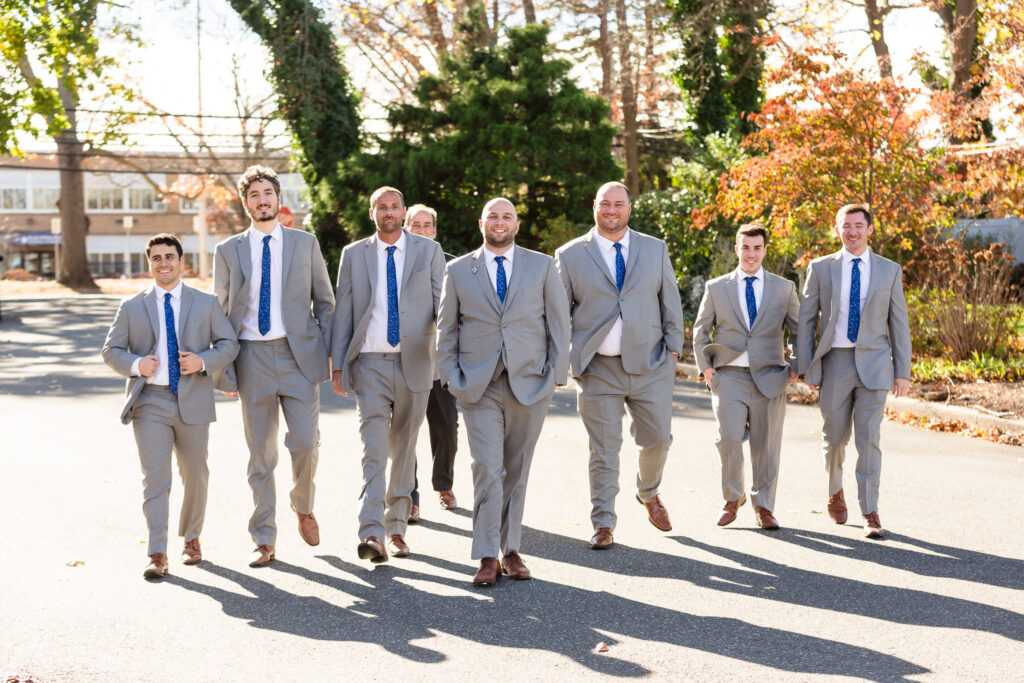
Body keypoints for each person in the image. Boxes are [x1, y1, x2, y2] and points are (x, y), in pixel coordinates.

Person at [436, 197, 569, 585]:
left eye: (506, 216)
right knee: (487, 466)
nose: (500, 221)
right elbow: (446, 329)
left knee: (516, 469)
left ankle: (511, 550)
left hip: (530, 381)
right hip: (477, 385)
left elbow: (558, 323)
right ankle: (486, 556)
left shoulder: (542, 266)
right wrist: (450, 376)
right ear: (481, 223)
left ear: (516, 223)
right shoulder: (459, 270)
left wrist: (557, 373)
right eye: (493, 216)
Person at [213, 165, 335, 567]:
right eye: (254, 195)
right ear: (244, 202)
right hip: (251, 358)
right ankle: (264, 538)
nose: (262, 200)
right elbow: (221, 314)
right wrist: (224, 369)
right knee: (261, 455)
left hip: (298, 356)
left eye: (268, 193)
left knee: (304, 443)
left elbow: (326, 303)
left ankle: (303, 504)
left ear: (278, 199)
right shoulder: (228, 251)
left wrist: (330, 353)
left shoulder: (305, 244)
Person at [554, 181, 684, 551]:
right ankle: (604, 522)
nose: (612, 210)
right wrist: (563, 362)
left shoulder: (654, 248)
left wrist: (673, 350)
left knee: (658, 439)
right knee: (604, 450)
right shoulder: (570, 254)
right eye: (605, 204)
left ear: (630, 208)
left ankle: (648, 491)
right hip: (597, 370)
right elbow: (559, 315)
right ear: (594, 206)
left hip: (651, 365)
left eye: (619, 204)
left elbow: (670, 301)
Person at [102, 233, 239, 579]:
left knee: (196, 474)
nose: (163, 263)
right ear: (149, 263)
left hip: (192, 397)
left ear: (181, 261)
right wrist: (136, 365)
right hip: (150, 401)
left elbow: (229, 343)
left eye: (169, 257)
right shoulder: (132, 306)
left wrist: (203, 361)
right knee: (156, 479)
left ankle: (192, 538)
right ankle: (157, 552)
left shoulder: (205, 303)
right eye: (156, 258)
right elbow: (111, 351)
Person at [331, 188, 443, 563]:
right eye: (382, 206)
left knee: (405, 450)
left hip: (415, 361)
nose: (389, 212)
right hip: (370, 362)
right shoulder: (354, 254)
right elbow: (342, 309)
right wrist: (338, 364)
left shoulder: (428, 251)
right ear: (372, 212)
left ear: (404, 212)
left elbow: (443, 306)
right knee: (374, 450)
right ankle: (372, 532)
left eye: (395, 206)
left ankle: (397, 529)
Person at [798, 204, 911, 539]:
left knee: (869, 438)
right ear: (837, 230)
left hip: (875, 365)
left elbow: (899, 323)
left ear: (869, 229)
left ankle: (870, 511)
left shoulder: (889, 270)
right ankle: (835, 490)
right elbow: (806, 320)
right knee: (834, 439)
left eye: (858, 225)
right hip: (835, 362)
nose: (852, 231)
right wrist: (806, 368)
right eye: (845, 225)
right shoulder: (820, 268)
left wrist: (902, 371)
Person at [692, 223, 799, 530]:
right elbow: (700, 330)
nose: (751, 254)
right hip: (729, 377)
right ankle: (732, 497)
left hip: (771, 376)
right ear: (736, 248)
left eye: (757, 248)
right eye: (745, 247)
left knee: (766, 446)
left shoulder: (784, 288)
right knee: (728, 439)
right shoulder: (717, 287)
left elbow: (798, 329)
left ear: (765, 250)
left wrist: (796, 365)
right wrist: (706, 367)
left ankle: (764, 507)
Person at [405, 204, 460, 517]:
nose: (422, 230)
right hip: (406, 365)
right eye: (416, 224)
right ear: (407, 228)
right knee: (405, 432)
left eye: (427, 225)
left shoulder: (454, 266)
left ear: (435, 231)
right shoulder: (396, 264)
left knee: (447, 430)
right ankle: (409, 497)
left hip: (441, 365)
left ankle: (444, 484)